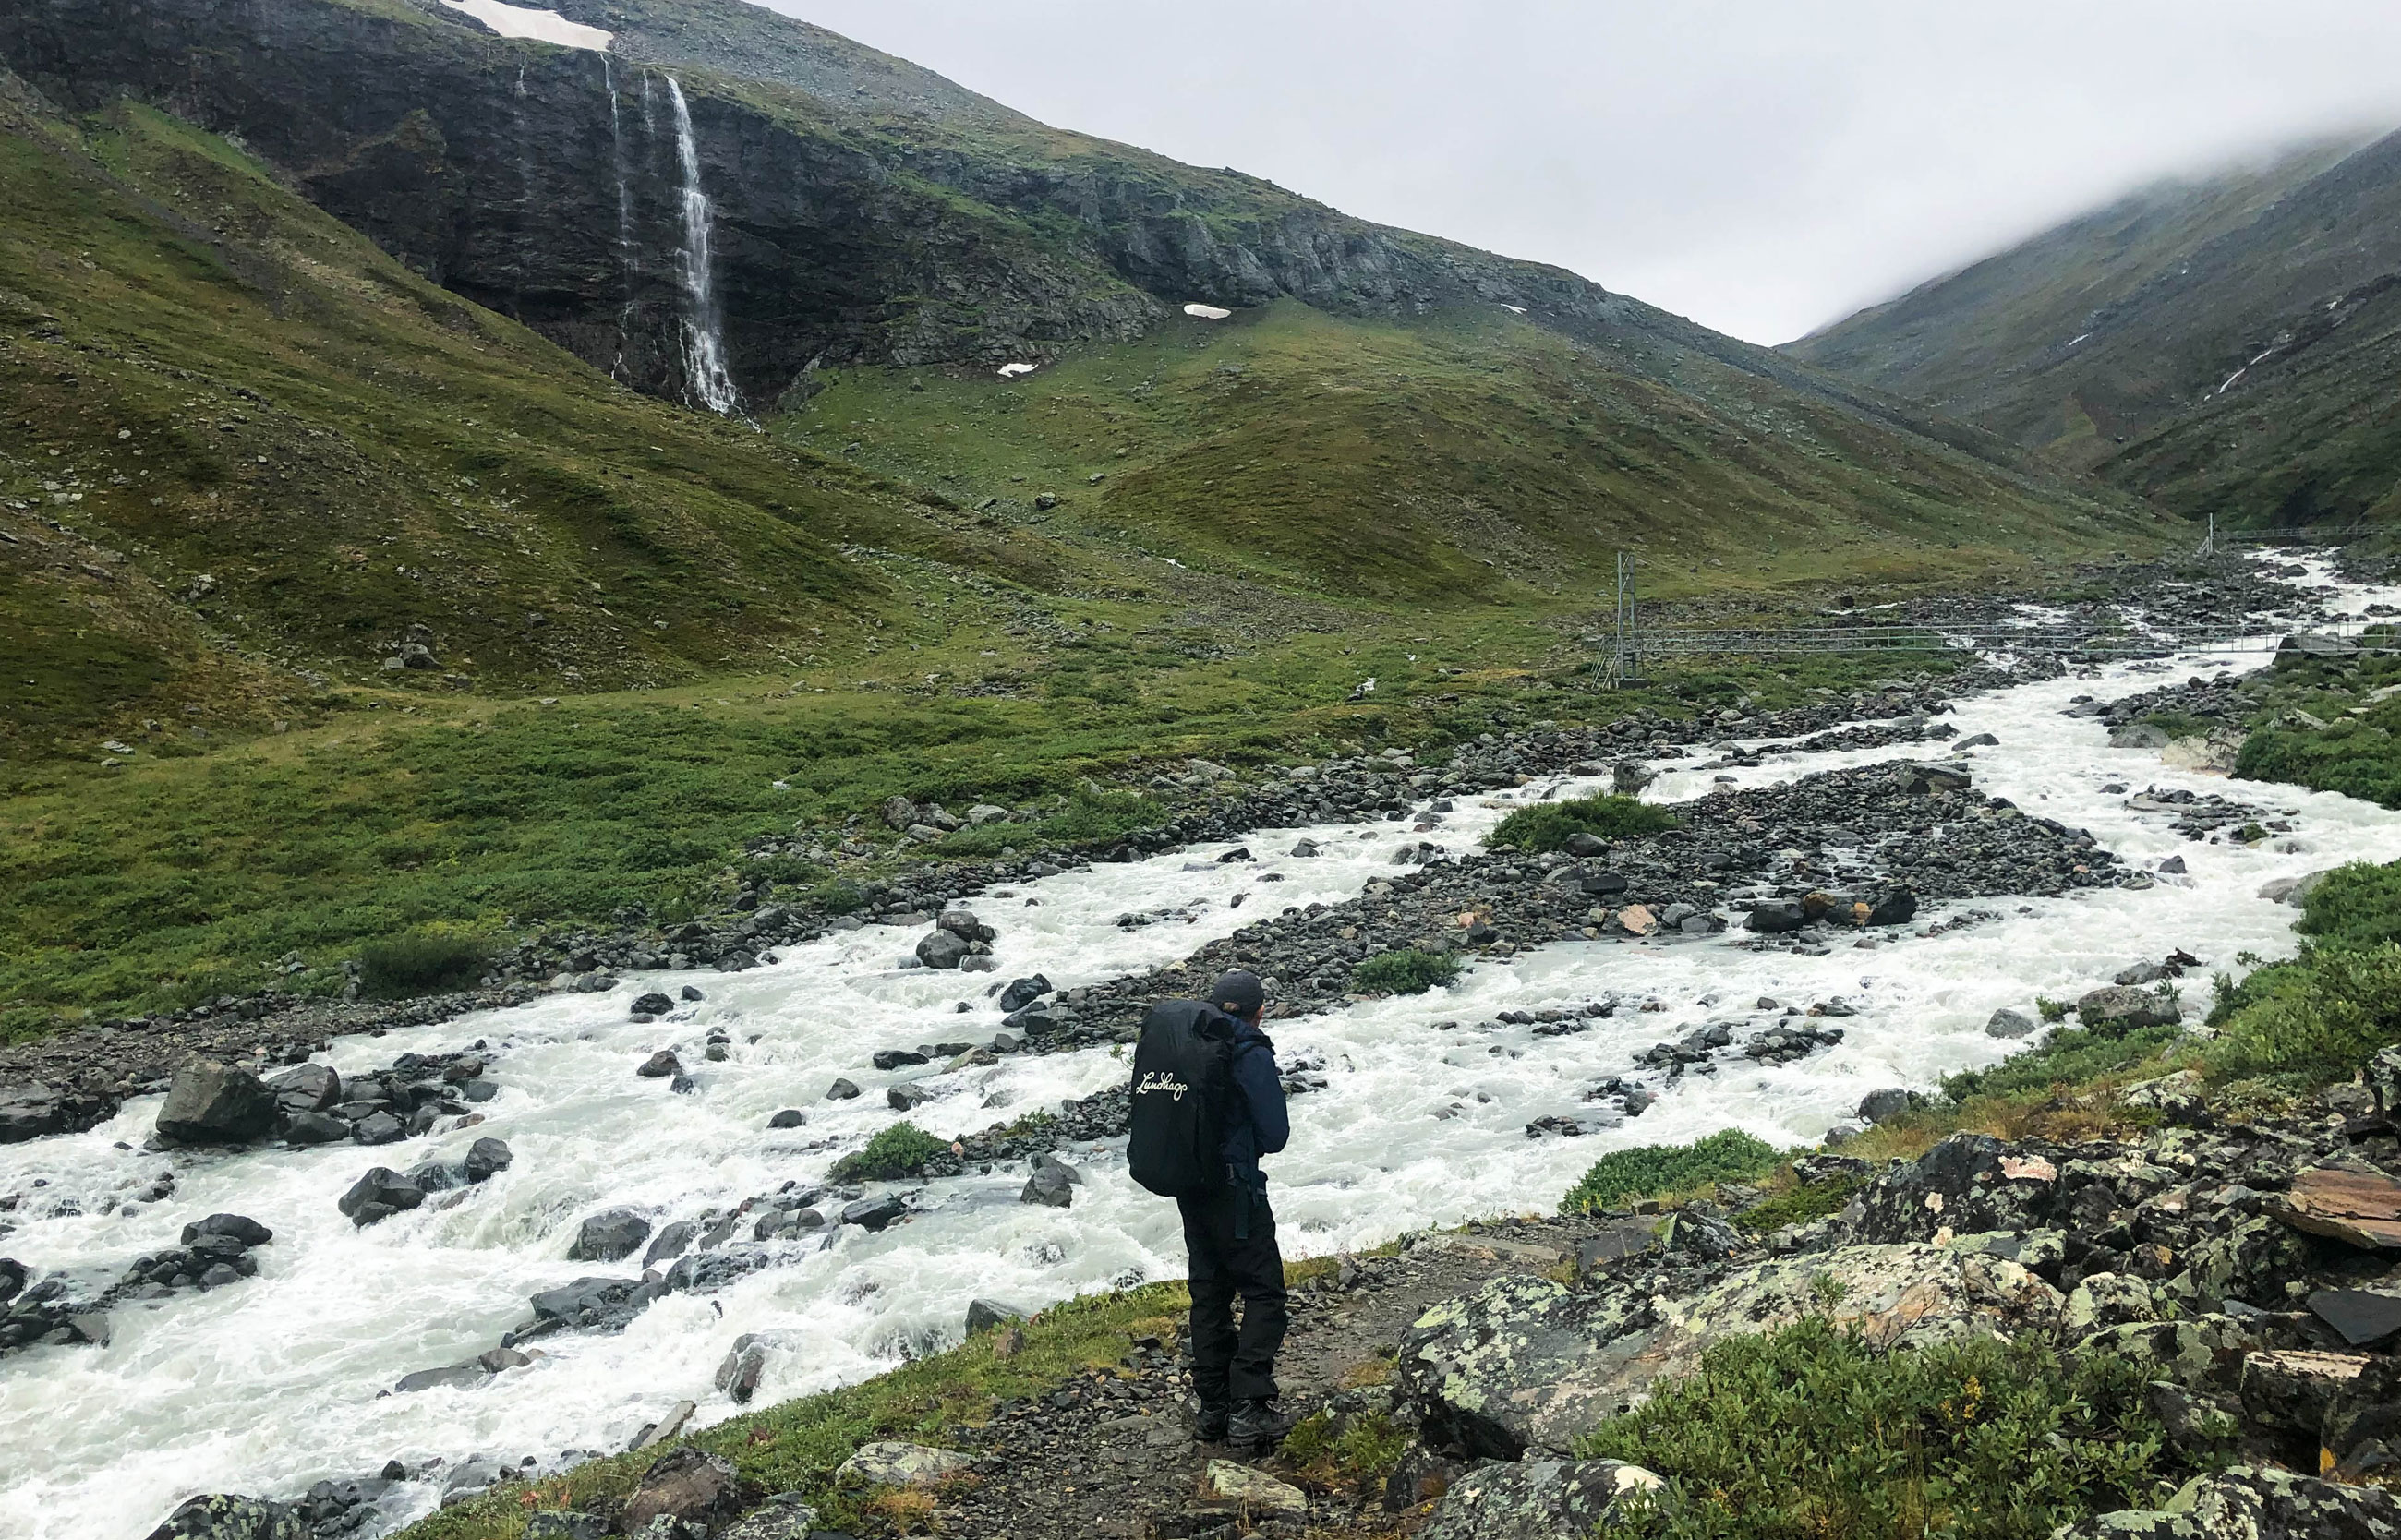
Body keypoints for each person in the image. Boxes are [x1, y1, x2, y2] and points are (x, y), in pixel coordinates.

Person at [1134, 969, 1291, 1450]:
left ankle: (1213, 1408)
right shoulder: (1249, 1050)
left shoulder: (1190, 1042)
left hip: (1191, 1186)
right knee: (1264, 1292)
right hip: (1236, 1192)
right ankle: (1249, 1406)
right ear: (1259, 1012)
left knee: (1209, 1293)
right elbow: (1275, 1135)